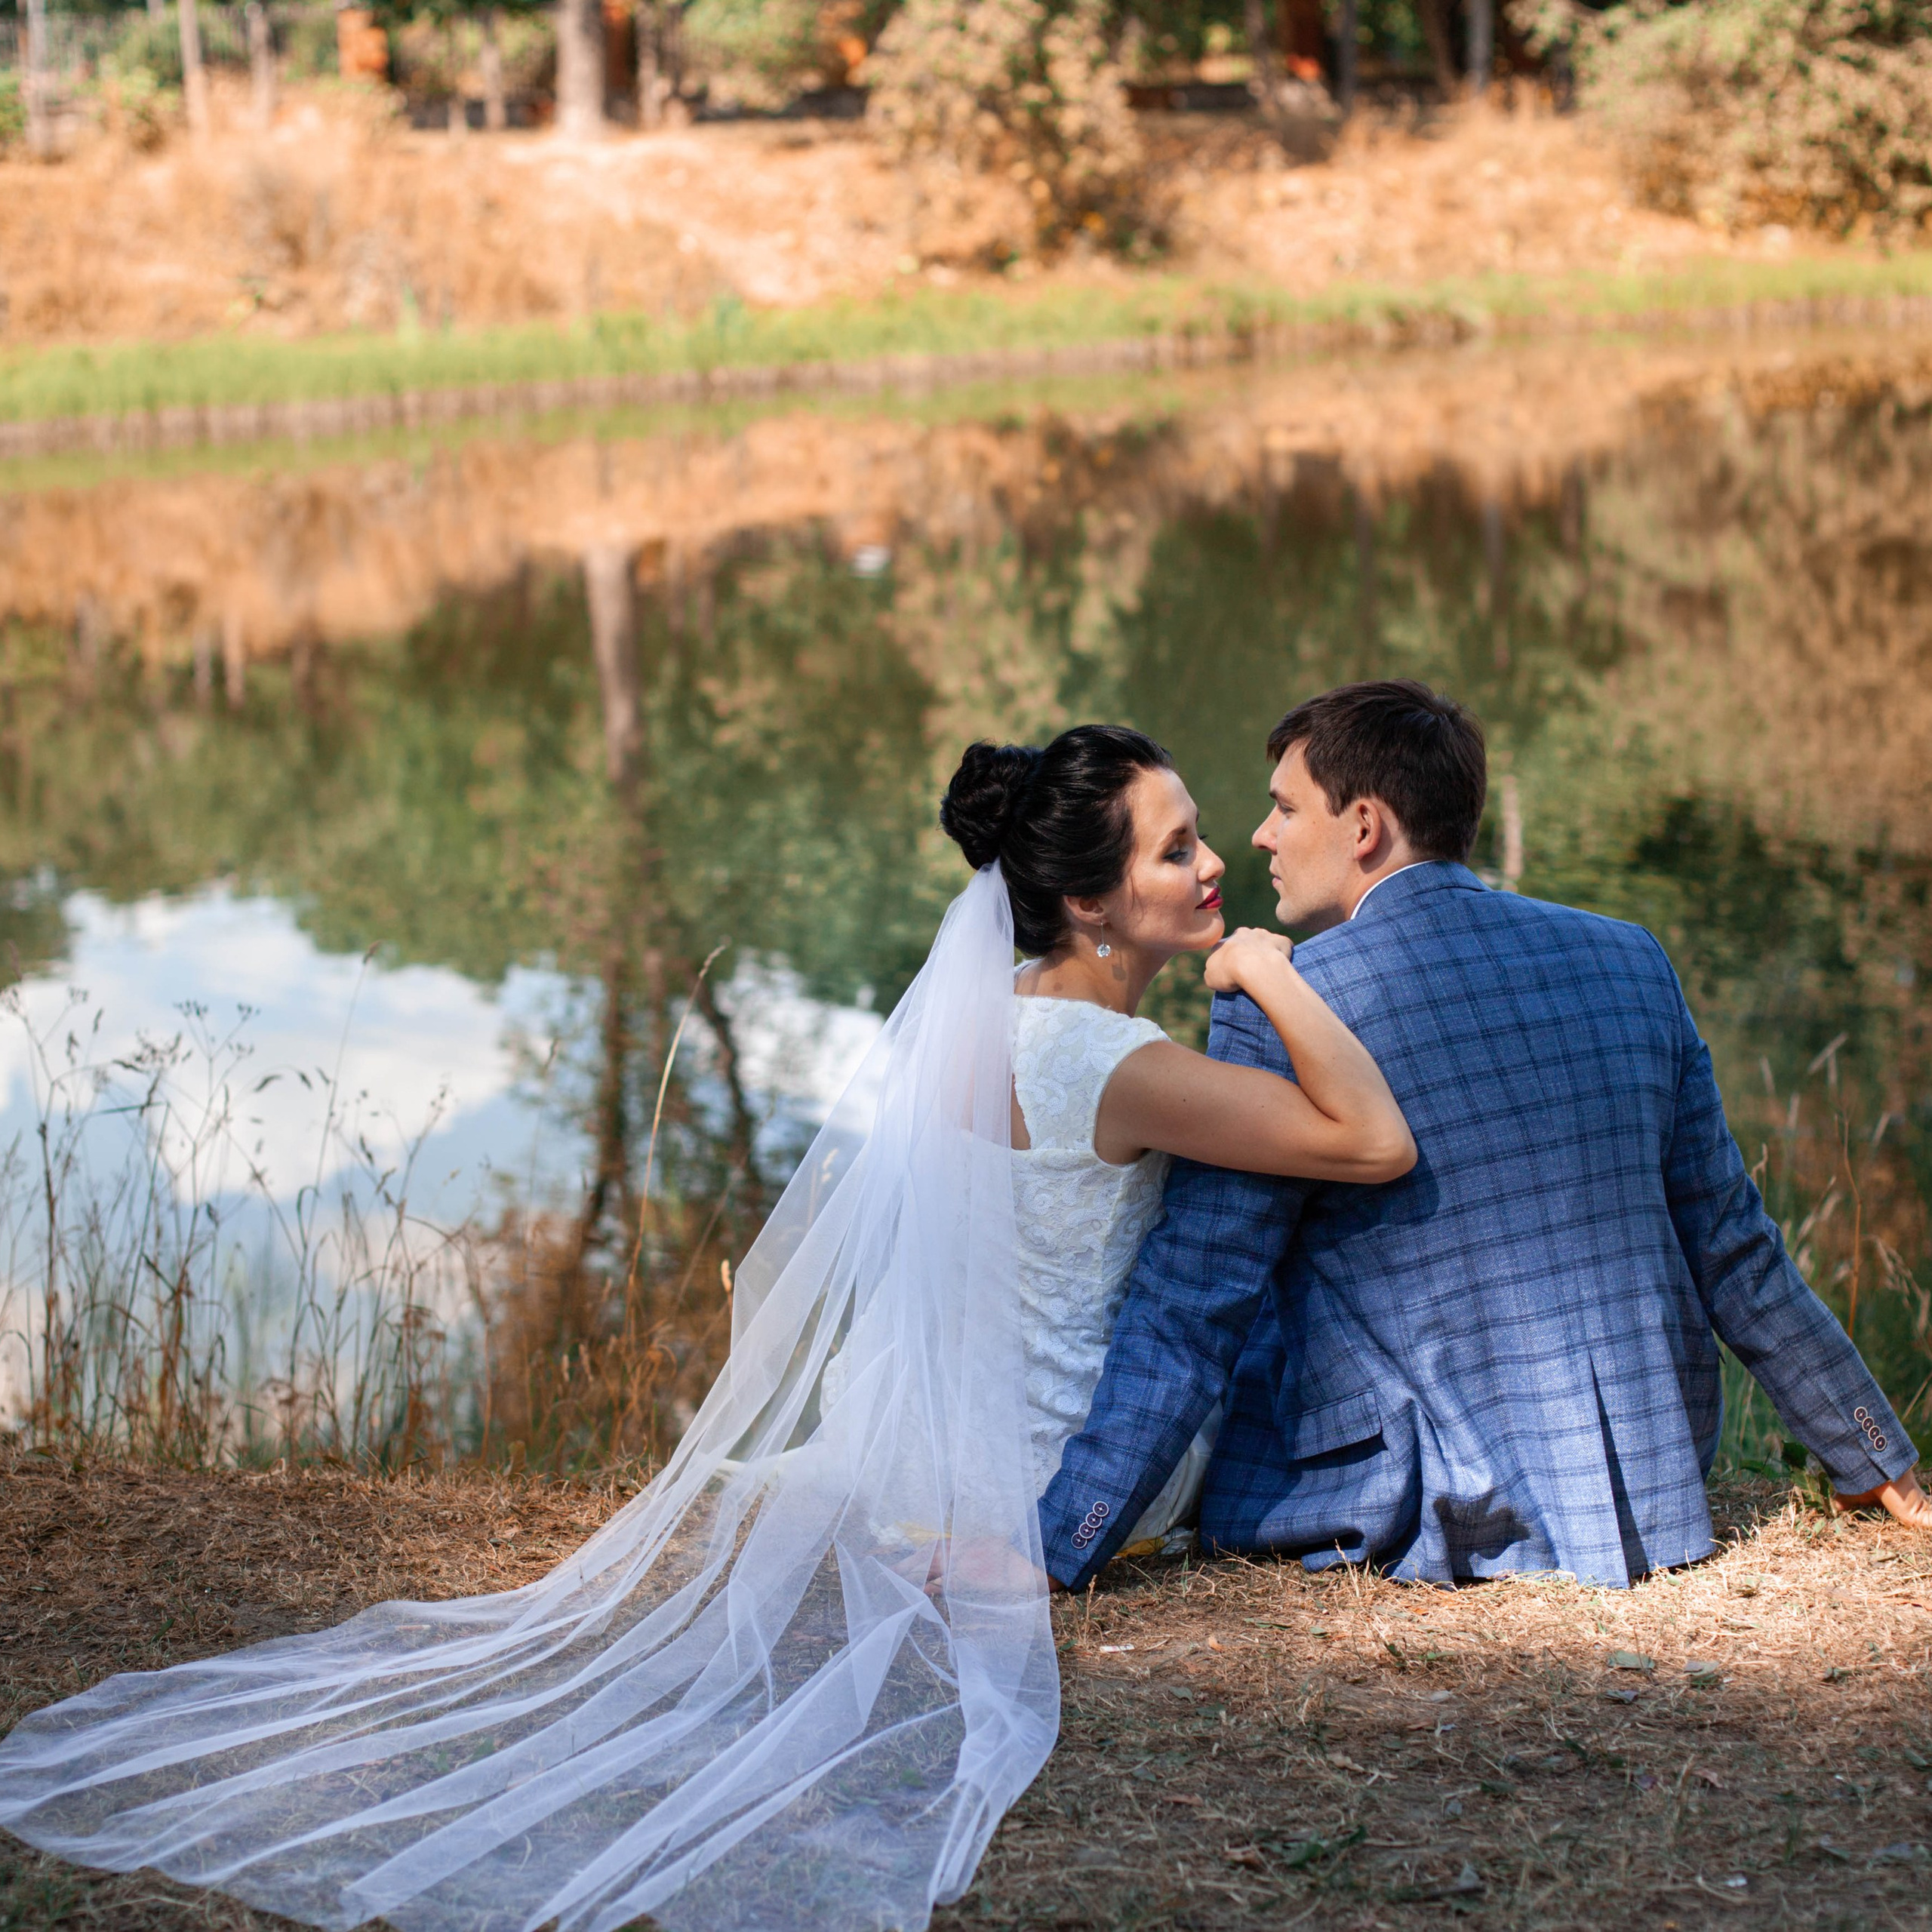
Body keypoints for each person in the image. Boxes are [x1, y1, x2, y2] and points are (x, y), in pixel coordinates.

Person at [0, 724, 1411, 1932]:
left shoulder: (977, 1024)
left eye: (1202, 836)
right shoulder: (1119, 1064)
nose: (1213, 861)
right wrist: (1277, 975)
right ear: (1093, 907)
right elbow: (1371, 1142)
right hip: (1048, 1459)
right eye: (1175, 851)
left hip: (902, 1438)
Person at [1039, 680, 1930, 1597]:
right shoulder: (1630, 956)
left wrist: (1064, 1540)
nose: (1261, 835)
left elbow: (1194, 1305)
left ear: (1364, 827)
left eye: (1283, 807)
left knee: (1242, 1270)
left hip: (1425, 1498)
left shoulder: (1281, 1000)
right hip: (1644, 1477)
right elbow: (1734, 1250)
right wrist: (1870, 1450)